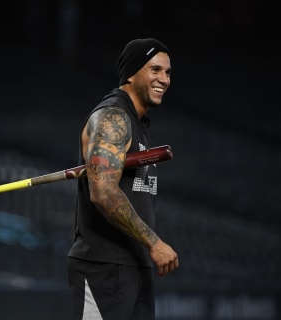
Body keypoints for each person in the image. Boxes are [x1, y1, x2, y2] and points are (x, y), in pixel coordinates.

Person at [67, 38, 180, 320]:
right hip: (104, 267)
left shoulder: (138, 124)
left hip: (134, 267)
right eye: (155, 70)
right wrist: (154, 243)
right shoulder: (113, 117)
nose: (164, 80)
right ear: (131, 73)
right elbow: (103, 192)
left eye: (167, 72)